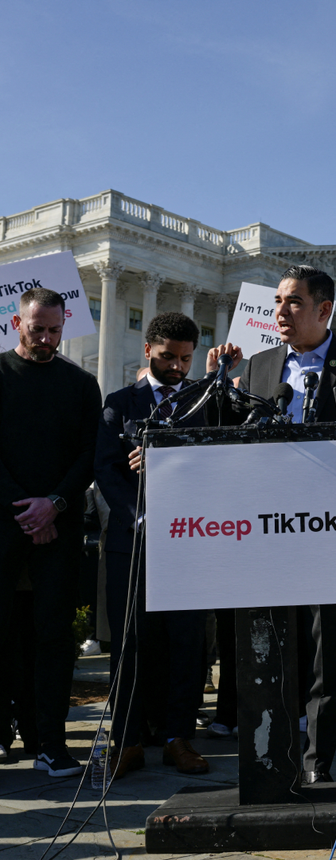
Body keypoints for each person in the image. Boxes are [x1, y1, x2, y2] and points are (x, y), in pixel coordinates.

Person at [239, 265, 336, 784]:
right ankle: (273, 756)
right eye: (278, 302)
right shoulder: (260, 368)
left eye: (294, 303)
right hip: (266, 531)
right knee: (274, 648)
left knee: (326, 652)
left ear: (325, 310)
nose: (281, 312)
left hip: (331, 529)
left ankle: (316, 765)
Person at [95, 312, 243, 778]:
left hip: (191, 542)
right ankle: (127, 740)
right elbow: (106, 470)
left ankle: (179, 737)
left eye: (185, 359)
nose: (178, 367)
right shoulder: (119, 403)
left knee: (187, 644)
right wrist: (139, 518)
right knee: (129, 644)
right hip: (132, 542)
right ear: (148, 351)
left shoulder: (207, 401)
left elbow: (227, 459)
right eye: (168, 358)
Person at [0, 287, 102, 775]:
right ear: (17, 324)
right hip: (6, 524)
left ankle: (50, 742)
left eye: (55, 330)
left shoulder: (81, 385)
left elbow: (88, 454)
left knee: (53, 638)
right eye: (37, 328)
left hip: (57, 529)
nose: (46, 338)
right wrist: (26, 511)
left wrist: (54, 505)